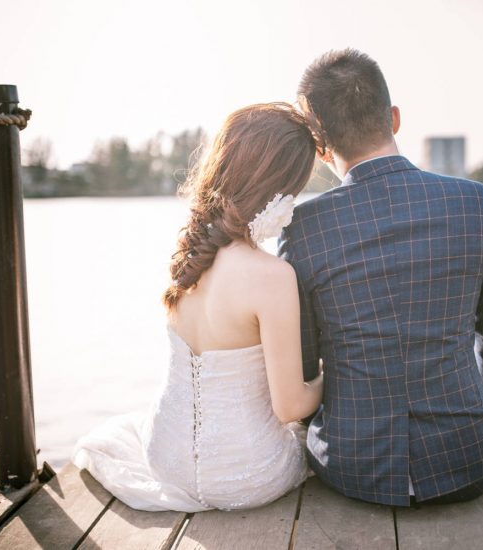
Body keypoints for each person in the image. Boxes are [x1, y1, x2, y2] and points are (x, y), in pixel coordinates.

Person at [278, 49, 483, 506]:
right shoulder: (476, 203)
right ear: (393, 118)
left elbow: (305, 364)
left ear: (321, 146)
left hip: (353, 468)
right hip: (467, 459)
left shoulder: (303, 229)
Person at [73, 103, 323, 512]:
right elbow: (290, 406)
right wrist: (328, 378)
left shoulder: (191, 261)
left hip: (165, 459)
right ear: (279, 190)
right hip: (249, 473)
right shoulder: (272, 276)